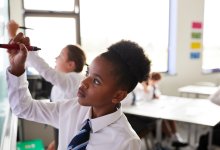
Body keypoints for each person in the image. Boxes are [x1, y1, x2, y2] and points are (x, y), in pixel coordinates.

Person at [7, 33, 151, 150]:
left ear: (118, 95)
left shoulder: (126, 142)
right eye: (88, 73)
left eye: (96, 81)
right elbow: (23, 108)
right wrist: (17, 69)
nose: (84, 82)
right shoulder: (72, 108)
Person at [7, 20, 87, 150]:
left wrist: (13, 34)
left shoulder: (74, 79)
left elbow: (46, 71)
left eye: (60, 56)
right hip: (62, 129)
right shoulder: (65, 84)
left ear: (71, 65)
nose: (56, 58)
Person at [143, 72, 186, 146]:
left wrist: (156, 94)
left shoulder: (154, 86)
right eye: (156, 80)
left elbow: (158, 94)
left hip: (154, 107)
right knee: (161, 119)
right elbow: (146, 98)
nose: (157, 82)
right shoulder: (145, 86)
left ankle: (175, 135)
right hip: (146, 111)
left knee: (170, 117)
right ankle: (170, 137)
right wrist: (150, 86)